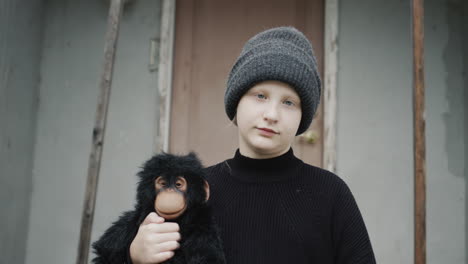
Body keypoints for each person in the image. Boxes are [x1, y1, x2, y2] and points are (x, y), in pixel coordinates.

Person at [128, 27, 376, 264]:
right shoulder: (194, 191)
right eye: (260, 96)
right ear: (236, 101)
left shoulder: (330, 194)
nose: (272, 114)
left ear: (303, 117)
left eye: (289, 102)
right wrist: (134, 256)